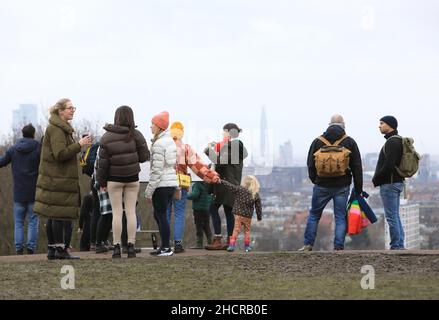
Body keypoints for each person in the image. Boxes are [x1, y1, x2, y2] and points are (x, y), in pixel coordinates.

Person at [34, 98, 92, 260]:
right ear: (60, 111)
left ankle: (53, 250)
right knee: (58, 215)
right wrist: (79, 145)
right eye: (69, 108)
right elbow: (60, 154)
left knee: (53, 215)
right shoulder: (57, 130)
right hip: (58, 179)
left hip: (56, 178)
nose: (73, 110)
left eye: (74, 107)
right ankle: (60, 250)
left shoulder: (57, 128)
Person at [299, 115, 363, 252]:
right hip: (342, 185)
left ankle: (308, 245)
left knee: (314, 215)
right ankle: (338, 246)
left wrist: (315, 180)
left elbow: (310, 163)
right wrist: (358, 188)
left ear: (329, 125)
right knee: (340, 216)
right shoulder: (349, 142)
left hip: (321, 185)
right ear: (344, 125)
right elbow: (357, 166)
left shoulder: (318, 141)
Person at [96, 106, 150, 259]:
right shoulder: (136, 134)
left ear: (116, 117)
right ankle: (131, 246)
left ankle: (116, 247)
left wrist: (101, 182)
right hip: (132, 178)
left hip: (114, 179)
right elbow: (144, 156)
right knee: (131, 212)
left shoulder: (106, 137)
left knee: (117, 213)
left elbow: (102, 164)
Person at [167, 121, 220, 253]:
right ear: (181, 134)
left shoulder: (162, 146)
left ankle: (165, 244)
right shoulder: (185, 148)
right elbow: (198, 166)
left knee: (165, 214)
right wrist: (211, 176)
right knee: (179, 213)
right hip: (180, 184)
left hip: (164, 184)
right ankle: (178, 243)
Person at [204, 123, 248, 250]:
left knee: (213, 208)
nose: (222, 134)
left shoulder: (233, 146)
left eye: (224, 132)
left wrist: (208, 150)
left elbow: (220, 162)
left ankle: (218, 240)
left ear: (229, 132)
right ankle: (230, 241)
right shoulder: (235, 147)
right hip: (232, 184)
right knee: (228, 212)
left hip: (225, 185)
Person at [0, 124, 41, 255]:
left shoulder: (13, 149)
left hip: (18, 192)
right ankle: (31, 248)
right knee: (33, 221)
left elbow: (1, 162)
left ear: (22, 134)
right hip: (34, 191)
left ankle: (18, 249)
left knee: (18, 222)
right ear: (34, 134)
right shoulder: (39, 148)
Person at [144, 111, 178, 257]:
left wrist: (149, 191)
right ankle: (166, 246)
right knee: (160, 215)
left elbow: (156, 171)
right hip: (170, 183)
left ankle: (165, 247)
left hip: (161, 185)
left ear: (158, 126)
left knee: (161, 215)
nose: (150, 127)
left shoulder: (158, 144)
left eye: (152, 124)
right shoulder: (170, 141)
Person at [372, 116, 405, 250]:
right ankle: (399, 244)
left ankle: (396, 246)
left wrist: (377, 178)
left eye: (382, 123)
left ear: (390, 125)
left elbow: (389, 165)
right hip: (395, 183)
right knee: (395, 216)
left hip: (389, 184)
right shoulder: (397, 141)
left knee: (391, 217)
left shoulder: (392, 142)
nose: (379, 126)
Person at [220, 176, 262, 252]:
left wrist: (222, 181)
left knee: (236, 230)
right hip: (248, 217)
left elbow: (230, 186)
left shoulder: (240, 189)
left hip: (238, 215)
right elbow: (258, 207)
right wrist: (259, 217)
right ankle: (247, 247)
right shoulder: (255, 194)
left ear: (245, 182)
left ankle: (231, 246)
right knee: (247, 231)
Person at [186, 181, 214, 249]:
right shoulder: (210, 184)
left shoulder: (197, 184)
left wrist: (186, 195)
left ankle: (199, 244)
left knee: (199, 225)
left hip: (198, 209)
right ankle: (210, 242)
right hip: (207, 208)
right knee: (206, 225)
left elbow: (194, 195)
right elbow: (212, 196)